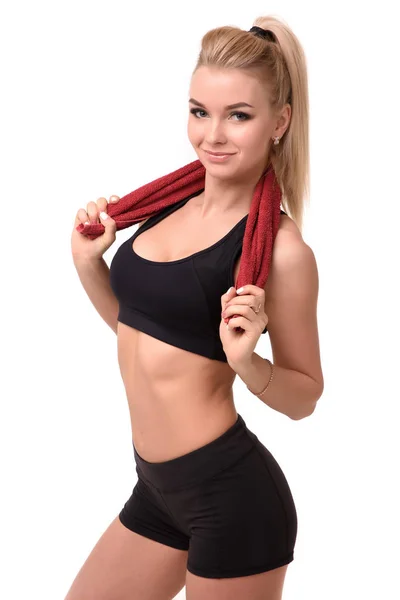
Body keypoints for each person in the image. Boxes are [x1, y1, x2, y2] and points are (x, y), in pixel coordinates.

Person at [67, 15, 324, 600]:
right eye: (199, 111)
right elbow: (145, 334)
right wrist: (89, 266)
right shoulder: (161, 206)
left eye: (239, 115)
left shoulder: (282, 252)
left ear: (279, 122)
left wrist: (247, 362)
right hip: (156, 491)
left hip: (231, 499)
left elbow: (306, 396)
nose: (212, 135)